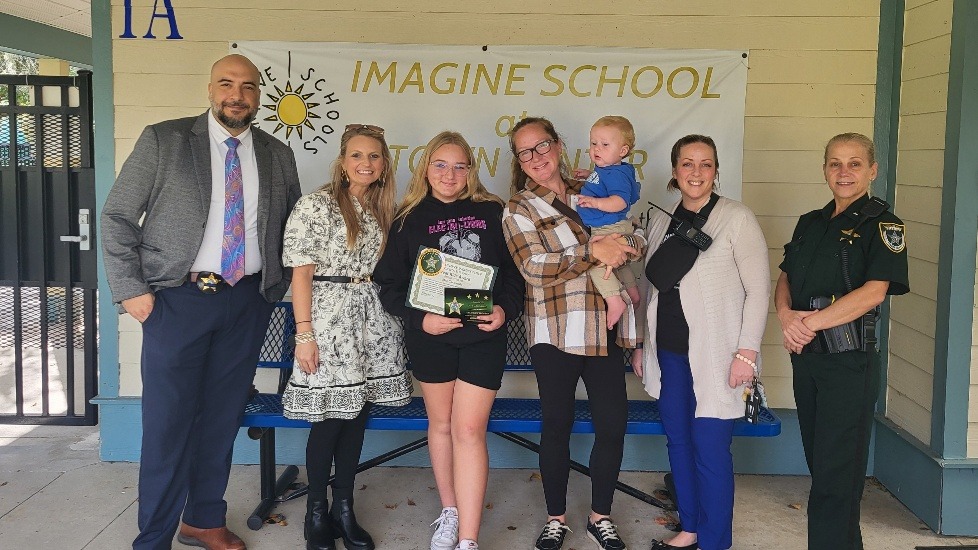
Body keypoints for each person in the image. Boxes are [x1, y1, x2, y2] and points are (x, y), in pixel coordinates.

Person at [100, 54, 302, 549]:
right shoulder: (164, 140)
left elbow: (295, 231)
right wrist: (133, 293)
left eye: (248, 87)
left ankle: (204, 518)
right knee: (168, 425)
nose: (237, 95)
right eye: (227, 84)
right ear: (210, 89)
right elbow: (117, 217)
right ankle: (153, 538)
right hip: (177, 301)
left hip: (247, 302)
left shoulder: (277, 154)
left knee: (221, 417)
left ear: (260, 95)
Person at [374, 131, 525, 550]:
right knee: (440, 425)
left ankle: (469, 538)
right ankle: (450, 512)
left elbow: (515, 274)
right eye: (440, 164)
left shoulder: (493, 211)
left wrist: (504, 311)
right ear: (426, 167)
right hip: (432, 340)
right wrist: (422, 319)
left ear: (471, 171)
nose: (449, 173)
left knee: (469, 429)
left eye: (460, 165)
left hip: (482, 335)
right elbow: (388, 285)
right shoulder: (407, 219)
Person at [502, 116, 642, 550]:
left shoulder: (593, 187)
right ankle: (556, 518)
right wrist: (591, 250)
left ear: (559, 145)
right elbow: (533, 267)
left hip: (604, 327)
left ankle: (601, 516)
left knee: (612, 424)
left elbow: (629, 227)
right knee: (557, 425)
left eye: (542, 146)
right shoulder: (519, 208)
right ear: (519, 162)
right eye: (525, 152)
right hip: (555, 331)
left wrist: (629, 242)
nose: (536, 157)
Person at [632, 135, 770, 550]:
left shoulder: (736, 218)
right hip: (668, 354)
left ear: (715, 171)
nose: (696, 172)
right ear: (675, 172)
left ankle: (714, 541)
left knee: (710, 448)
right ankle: (690, 528)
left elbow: (759, 291)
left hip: (718, 357)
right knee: (678, 440)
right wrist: (640, 344)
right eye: (687, 164)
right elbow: (648, 287)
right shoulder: (660, 221)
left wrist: (747, 352)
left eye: (705, 164)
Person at [280, 124, 413, 550]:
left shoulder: (382, 209)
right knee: (329, 420)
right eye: (357, 155)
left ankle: (344, 508)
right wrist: (304, 334)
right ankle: (315, 511)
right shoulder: (315, 205)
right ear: (342, 160)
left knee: (356, 418)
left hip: (373, 323)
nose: (365, 163)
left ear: (383, 163)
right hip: (329, 320)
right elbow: (301, 273)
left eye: (374, 156)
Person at [775, 132, 909, 550]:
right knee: (824, 469)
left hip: (849, 364)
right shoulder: (811, 222)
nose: (844, 172)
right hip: (808, 361)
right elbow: (785, 277)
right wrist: (784, 314)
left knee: (837, 477)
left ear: (872, 170)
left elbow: (874, 292)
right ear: (825, 170)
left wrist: (810, 323)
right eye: (835, 163)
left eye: (854, 163)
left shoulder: (882, 224)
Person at [575, 116, 642, 328]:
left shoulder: (616, 175)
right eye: (593, 143)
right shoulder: (609, 170)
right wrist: (589, 176)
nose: (597, 149)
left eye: (605, 145)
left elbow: (620, 201)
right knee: (618, 263)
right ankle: (632, 292)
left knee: (596, 261)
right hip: (612, 225)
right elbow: (603, 181)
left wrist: (595, 202)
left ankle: (614, 300)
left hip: (608, 227)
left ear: (622, 151)